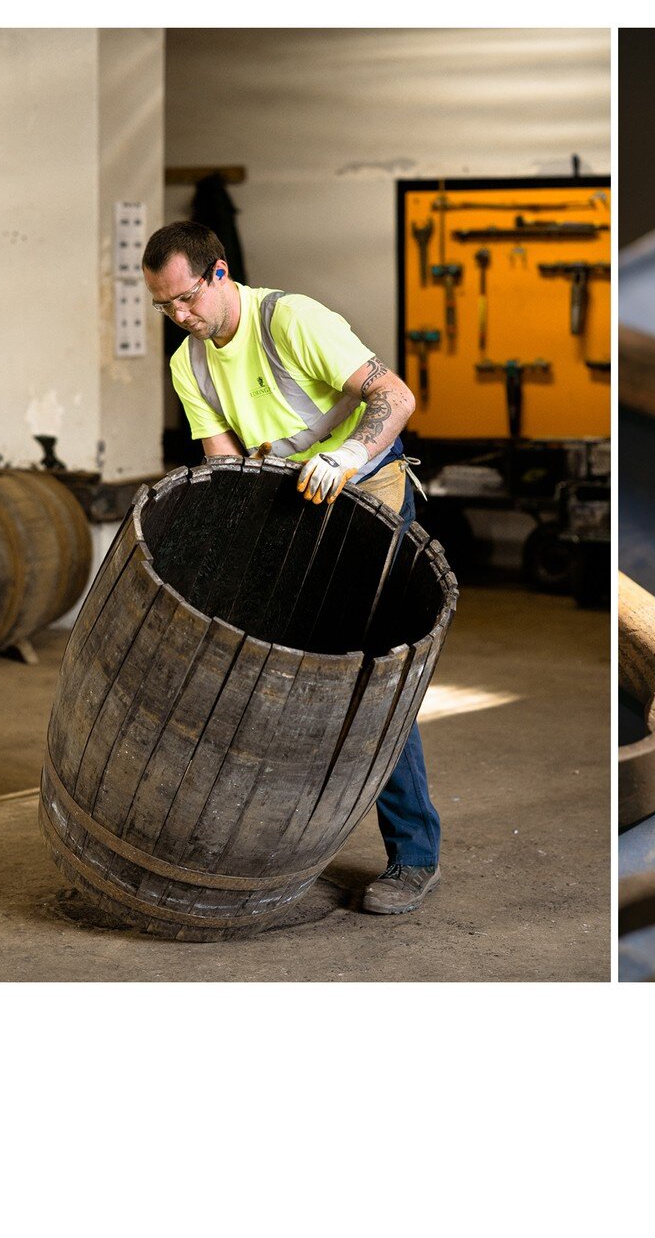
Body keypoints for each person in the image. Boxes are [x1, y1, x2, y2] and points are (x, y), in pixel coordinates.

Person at [141, 220, 441, 915]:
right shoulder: (188, 365)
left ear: (220, 274)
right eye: (165, 307)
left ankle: (415, 856)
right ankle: (280, 844)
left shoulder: (292, 320)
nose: (179, 316)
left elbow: (395, 397)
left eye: (186, 298)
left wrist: (346, 457)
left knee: (372, 676)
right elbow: (226, 465)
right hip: (292, 506)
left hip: (367, 493)